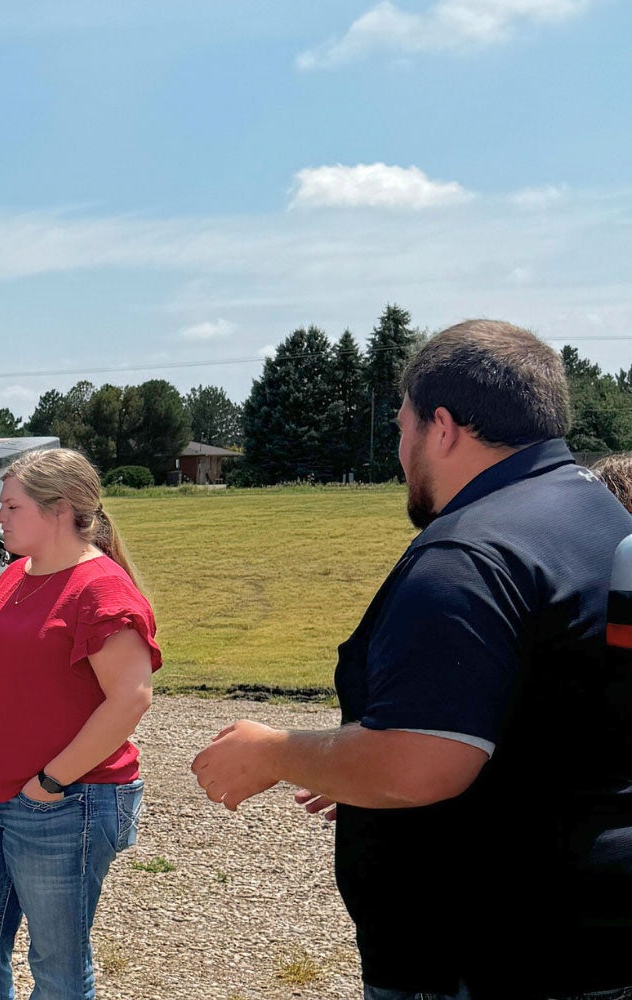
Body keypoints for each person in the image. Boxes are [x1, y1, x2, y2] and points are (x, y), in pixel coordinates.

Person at [191, 320, 632, 1000]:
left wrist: (272, 752)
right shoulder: (600, 518)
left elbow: (419, 764)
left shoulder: (469, 557)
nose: (400, 452)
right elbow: (554, 708)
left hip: (492, 958)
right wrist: (361, 770)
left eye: (403, 428)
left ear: (444, 428)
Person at [0, 448, 161, 1000]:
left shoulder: (101, 589)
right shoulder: (18, 574)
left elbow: (131, 699)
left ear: (60, 509)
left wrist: (50, 781)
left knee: (58, 967)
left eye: (12, 506)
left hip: (61, 804)